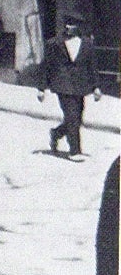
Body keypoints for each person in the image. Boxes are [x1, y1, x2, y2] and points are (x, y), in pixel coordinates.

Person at [40, 12, 103, 162]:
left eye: (72, 24)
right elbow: (47, 66)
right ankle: (74, 150)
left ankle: (56, 133)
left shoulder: (87, 44)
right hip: (63, 85)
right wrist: (41, 88)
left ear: (79, 26)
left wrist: (96, 87)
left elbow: (92, 67)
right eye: (66, 24)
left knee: (77, 118)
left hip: (81, 85)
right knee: (72, 117)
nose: (68, 27)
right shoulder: (54, 43)